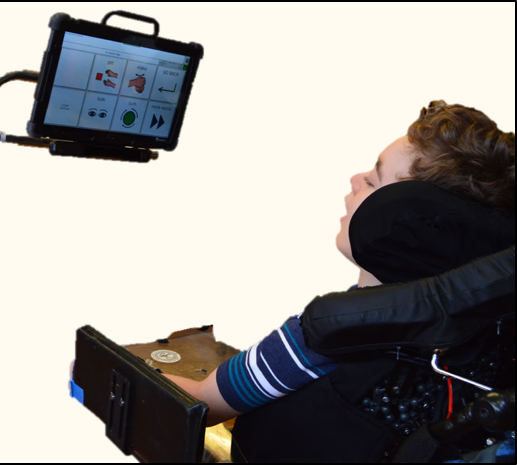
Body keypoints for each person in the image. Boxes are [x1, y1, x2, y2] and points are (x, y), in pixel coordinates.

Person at [68, 100, 515, 456]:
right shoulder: (491, 341)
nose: (355, 178)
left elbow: (202, 404)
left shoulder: (328, 331)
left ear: (407, 224)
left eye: (375, 182)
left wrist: (94, 370)